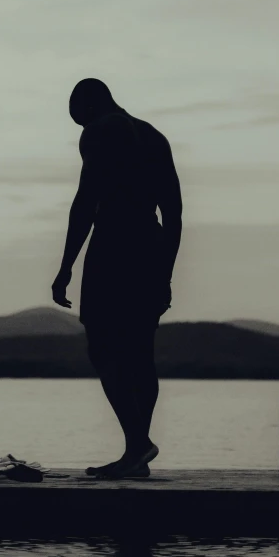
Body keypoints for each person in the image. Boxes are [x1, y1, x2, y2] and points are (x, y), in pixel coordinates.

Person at [51, 79, 182, 478]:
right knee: (141, 352)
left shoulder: (99, 131)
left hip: (114, 245)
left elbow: (86, 203)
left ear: (88, 106)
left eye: (80, 120)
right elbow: (174, 213)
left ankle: (138, 444)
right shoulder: (155, 137)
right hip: (150, 244)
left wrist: (65, 268)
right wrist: (165, 273)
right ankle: (136, 452)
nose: (81, 129)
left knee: (103, 347)